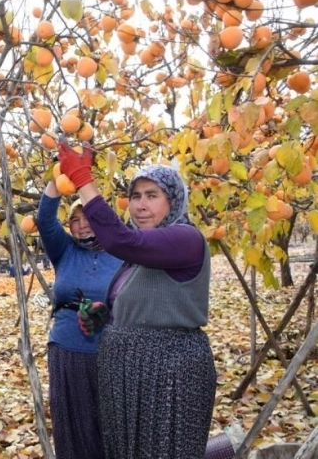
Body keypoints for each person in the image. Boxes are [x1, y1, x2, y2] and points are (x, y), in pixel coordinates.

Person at [59, 141, 215, 459]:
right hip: (128, 372)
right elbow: (142, 297)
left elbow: (118, 238)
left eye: (152, 195)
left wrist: (81, 180)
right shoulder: (139, 255)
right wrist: (107, 315)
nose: (141, 205)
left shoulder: (186, 239)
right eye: (135, 196)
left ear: (172, 201)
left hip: (168, 371)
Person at [36, 187, 123, 459]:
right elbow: (45, 218)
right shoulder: (65, 250)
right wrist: (57, 176)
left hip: (110, 353)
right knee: (72, 425)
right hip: (67, 350)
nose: (82, 224)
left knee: (108, 425)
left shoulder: (122, 251)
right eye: (75, 219)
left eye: (89, 217)